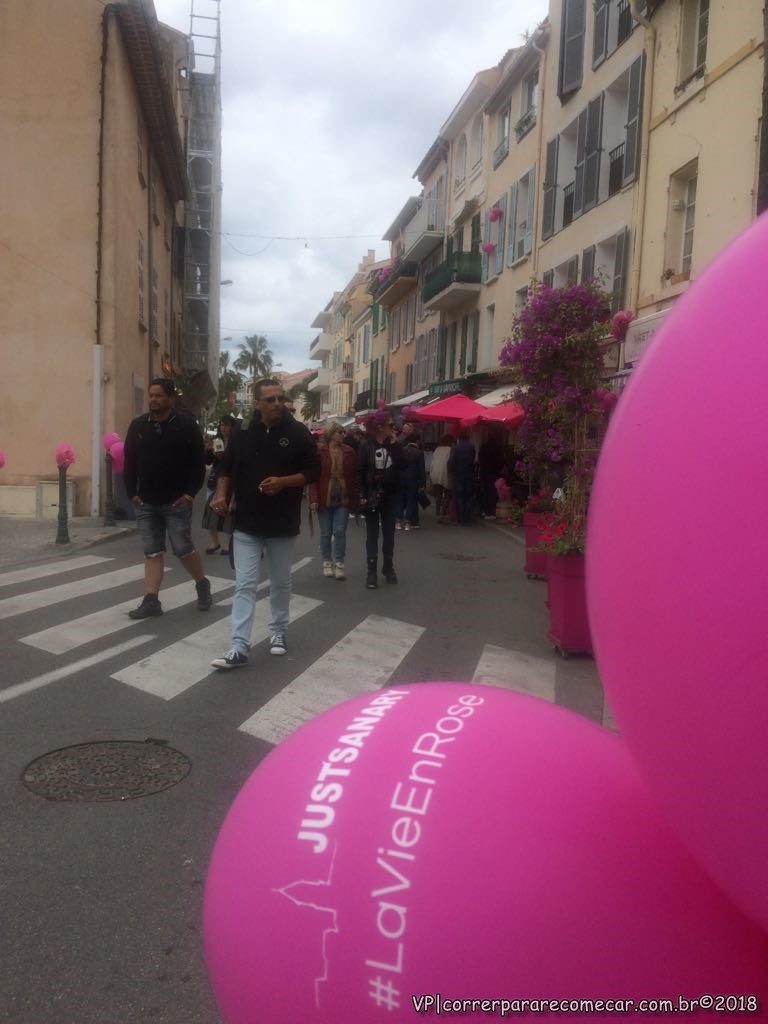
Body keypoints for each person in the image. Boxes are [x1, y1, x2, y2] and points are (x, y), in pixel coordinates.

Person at [209, 378, 319, 668]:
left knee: (280, 582)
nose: (277, 404)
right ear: (256, 403)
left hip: (282, 523)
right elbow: (225, 468)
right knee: (244, 585)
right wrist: (221, 493)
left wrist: (284, 482)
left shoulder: (298, 432)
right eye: (270, 400)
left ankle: (278, 632)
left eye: (280, 399)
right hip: (247, 522)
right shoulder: (243, 433)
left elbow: (313, 471)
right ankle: (239, 647)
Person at [123, 377, 211, 619]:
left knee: (183, 549)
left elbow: (198, 463)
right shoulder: (138, 426)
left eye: (158, 395)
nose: (153, 399)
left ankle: (202, 584)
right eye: (151, 395)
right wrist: (132, 492)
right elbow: (129, 461)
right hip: (146, 502)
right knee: (152, 551)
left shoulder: (186, 425)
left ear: (170, 398)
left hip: (176, 501)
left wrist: (189, 494)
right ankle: (151, 600)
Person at [357, 408, 403, 589]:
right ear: (379, 427)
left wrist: (396, 445)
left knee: (389, 534)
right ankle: (371, 572)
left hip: (390, 496)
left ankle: (388, 567)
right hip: (371, 496)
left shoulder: (394, 445)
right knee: (372, 535)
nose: (394, 428)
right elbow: (360, 472)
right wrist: (361, 495)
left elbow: (403, 465)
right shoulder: (367, 446)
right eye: (390, 425)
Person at [308, 422, 358, 580]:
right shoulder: (319, 452)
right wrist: (313, 498)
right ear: (330, 434)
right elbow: (313, 478)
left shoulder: (350, 452)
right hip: (324, 497)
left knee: (339, 531)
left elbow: (355, 476)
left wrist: (356, 498)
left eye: (343, 432)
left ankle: (340, 563)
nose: (343, 435)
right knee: (325, 532)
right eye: (339, 432)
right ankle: (326, 561)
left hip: (343, 497)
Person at [202, 415, 240, 555]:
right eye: (222, 425)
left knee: (228, 514)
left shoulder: (237, 442)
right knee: (210, 512)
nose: (224, 428)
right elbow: (207, 461)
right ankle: (215, 542)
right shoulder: (216, 441)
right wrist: (208, 450)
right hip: (214, 480)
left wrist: (222, 456)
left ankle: (227, 544)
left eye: (227, 425)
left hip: (230, 481)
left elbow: (234, 462)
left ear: (232, 427)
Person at [396, 433, 426, 531]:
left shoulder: (401, 451)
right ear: (417, 441)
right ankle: (408, 523)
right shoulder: (419, 453)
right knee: (411, 500)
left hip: (401, 478)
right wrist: (423, 483)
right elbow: (422, 470)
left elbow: (398, 465)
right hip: (413, 479)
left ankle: (398, 522)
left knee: (400, 499)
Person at [448, 428, 476, 525]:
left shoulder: (456, 447)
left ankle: (460, 518)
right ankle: (467, 517)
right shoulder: (471, 447)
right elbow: (473, 459)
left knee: (459, 496)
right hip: (469, 474)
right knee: (467, 496)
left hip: (458, 474)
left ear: (459, 437)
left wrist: (452, 472)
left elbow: (452, 461)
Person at [478, 429, 505, 518]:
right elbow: (502, 461)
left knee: (485, 491)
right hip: (495, 473)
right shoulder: (498, 448)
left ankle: (486, 511)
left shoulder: (484, 447)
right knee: (493, 492)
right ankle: (492, 511)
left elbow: (480, 460)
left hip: (485, 472)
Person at [429, 433, 455, 522]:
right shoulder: (451, 450)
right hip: (445, 473)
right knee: (448, 494)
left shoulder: (437, 449)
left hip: (435, 473)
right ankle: (443, 513)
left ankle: (437, 513)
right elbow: (451, 463)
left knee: (439, 495)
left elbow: (432, 462)